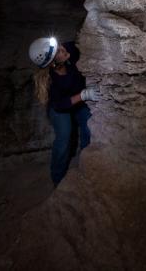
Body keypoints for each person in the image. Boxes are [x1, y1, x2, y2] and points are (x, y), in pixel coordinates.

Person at [28, 37, 100, 186]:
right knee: (63, 139)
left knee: (90, 127)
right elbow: (60, 104)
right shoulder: (51, 81)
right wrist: (84, 95)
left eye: (59, 46)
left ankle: (86, 164)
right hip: (60, 109)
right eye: (58, 51)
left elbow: (83, 41)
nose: (62, 48)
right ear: (54, 64)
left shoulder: (68, 51)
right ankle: (58, 179)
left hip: (78, 103)